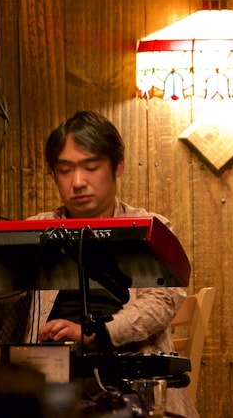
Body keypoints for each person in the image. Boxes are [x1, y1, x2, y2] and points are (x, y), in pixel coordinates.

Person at [24, 110, 199, 418]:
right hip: (48, 388)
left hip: (132, 388)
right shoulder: (34, 231)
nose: (78, 182)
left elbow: (161, 300)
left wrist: (93, 333)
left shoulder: (150, 228)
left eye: (91, 167)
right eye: (64, 170)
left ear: (118, 166)